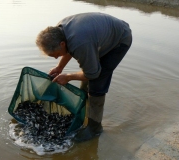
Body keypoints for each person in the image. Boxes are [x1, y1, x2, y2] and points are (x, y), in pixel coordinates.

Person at [35, 12, 132, 142]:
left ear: (62, 44)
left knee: (97, 81)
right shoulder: (60, 31)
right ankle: (85, 112)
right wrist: (59, 68)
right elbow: (70, 48)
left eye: (56, 54)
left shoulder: (80, 42)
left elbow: (93, 73)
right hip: (99, 36)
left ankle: (95, 128)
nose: (57, 57)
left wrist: (68, 77)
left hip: (120, 40)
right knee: (88, 75)